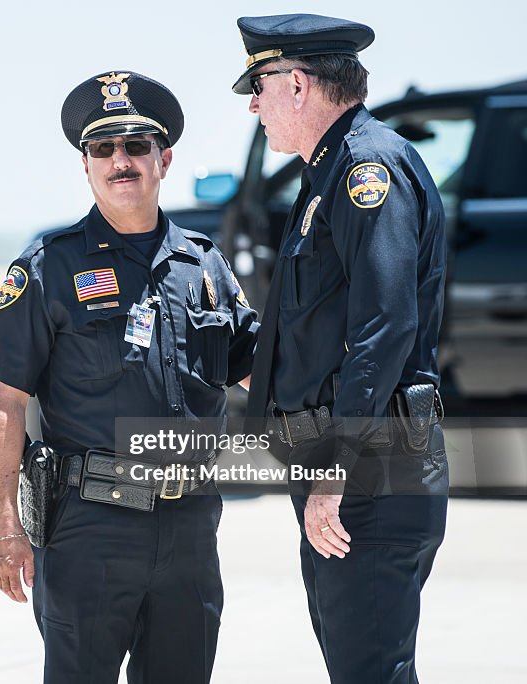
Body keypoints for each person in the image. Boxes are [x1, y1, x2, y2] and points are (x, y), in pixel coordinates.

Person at [0, 71, 259, 683]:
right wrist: (4, 526)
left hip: (190, 526)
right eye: (103, 149)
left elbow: (257, 372)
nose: (119, 161)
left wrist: (350, 434)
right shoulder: (50, 265)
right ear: (87, 164)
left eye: (134, 146)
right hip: (90, 527)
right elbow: (6, 402)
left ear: (164, 159)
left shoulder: (202, 263)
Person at [234, 14, 449, 683]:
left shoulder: (364, 168)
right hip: (353, 465)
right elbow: (318, 330)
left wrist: (339, 466)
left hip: (369, 468)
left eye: (259, 86)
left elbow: (384, 326)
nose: (253, 104)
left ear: (296, 85)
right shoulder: (327, 172)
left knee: (371, 668)